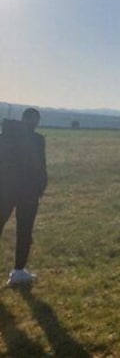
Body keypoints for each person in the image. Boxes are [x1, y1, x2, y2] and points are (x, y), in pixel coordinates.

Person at [0, 108, 47, 286]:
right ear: (35, 121)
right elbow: (40, 165)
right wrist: (41, 186)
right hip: (28, 192)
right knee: (25, 231)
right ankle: (19, 271)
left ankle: (19, 271)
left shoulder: (5, 136)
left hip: (4, 189)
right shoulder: (37, 140)